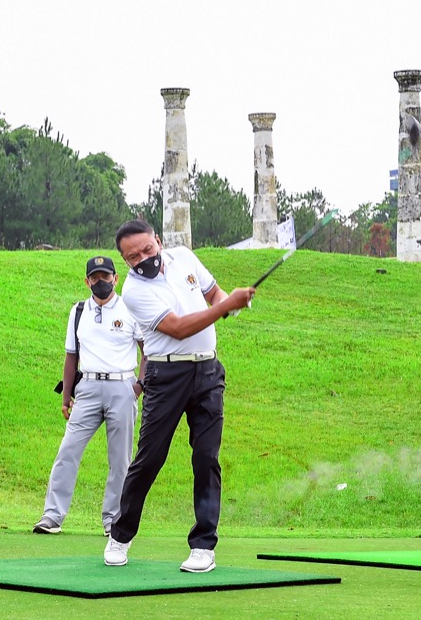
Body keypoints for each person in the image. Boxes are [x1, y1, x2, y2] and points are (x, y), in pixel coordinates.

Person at [103, 219, 256, 574]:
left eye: (147, 249)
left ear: (158, 240)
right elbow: (179, 328)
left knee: (206, 458)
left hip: (207, 372)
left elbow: (213, 294)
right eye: (133, 256)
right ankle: (120, 536)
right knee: (150, 458)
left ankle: (204, 545)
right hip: (165, 374)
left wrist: (229, 303)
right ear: (124, 261)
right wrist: (223, 306)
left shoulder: (184, 257)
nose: (143, 258)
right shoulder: (134, 291)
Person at [34, 256, 145, 536]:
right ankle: (52, 515)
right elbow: (71, 356)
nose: (101, 282)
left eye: (105, 276)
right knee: (68, 450)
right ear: (87, 281)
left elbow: (148, 351)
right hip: (88, 388)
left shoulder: (130, 309)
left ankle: (113, 519)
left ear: (115, 278)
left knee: (120, 459)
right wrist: (66, 396)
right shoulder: (79, 310)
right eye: (94, 277)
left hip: (122, 386)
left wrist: (139, 386)